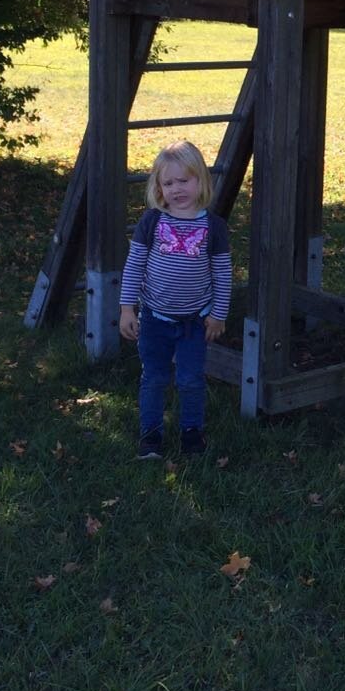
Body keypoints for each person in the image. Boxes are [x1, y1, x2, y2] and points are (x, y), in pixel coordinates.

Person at [119, 140, 232, 460]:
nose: (177, 189)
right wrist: (127, 309)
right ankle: (150, 436)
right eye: (168, 183)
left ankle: (192, 433)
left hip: (195, 321)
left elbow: (223, 275)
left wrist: (218, 315)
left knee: (191, 379)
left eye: (184, 180)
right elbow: (134, 266)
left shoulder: (214, 227)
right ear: (158, 187)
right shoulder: (152, 222)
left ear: (201, 182)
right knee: (154, 377)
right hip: (154, 319)